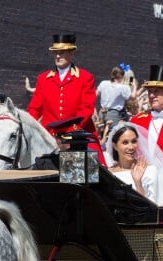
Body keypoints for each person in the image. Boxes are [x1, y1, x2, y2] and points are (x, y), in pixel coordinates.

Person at [26, 33, 106, 165]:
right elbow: (34, 109)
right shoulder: (43, 79)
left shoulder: (85, 78)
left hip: (79, 137)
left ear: (71, 52)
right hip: (50, 138)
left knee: (97, 173)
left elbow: (86, 110)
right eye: (55, 52)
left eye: (62, 52)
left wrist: (70, 135)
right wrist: (27, 126)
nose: (58, 56)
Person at [106, 122, 163, 206]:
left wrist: (138, 183)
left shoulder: (149, 170)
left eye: (134, 141)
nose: (131, 147)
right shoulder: (109, 173)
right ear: (115, 146)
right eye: (125, 143)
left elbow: (150, 206)